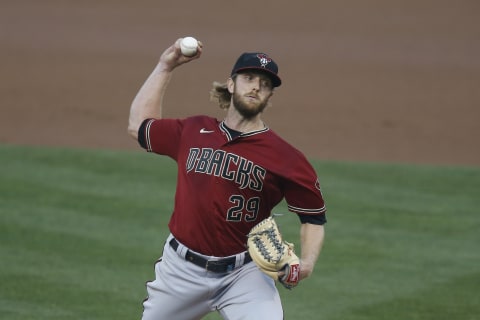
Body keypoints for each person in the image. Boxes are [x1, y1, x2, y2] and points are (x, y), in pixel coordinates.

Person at [127, 37, 327, 320]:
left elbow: (313, 217)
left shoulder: (287, 158)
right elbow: (139, 127)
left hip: (245, 275)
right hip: (180, 271)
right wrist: (165, 66)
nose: (256, 86)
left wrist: (307, 263)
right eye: (249, 78)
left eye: (265, 84)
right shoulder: (193, 130)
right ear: (231, 84)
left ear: (270, 97)